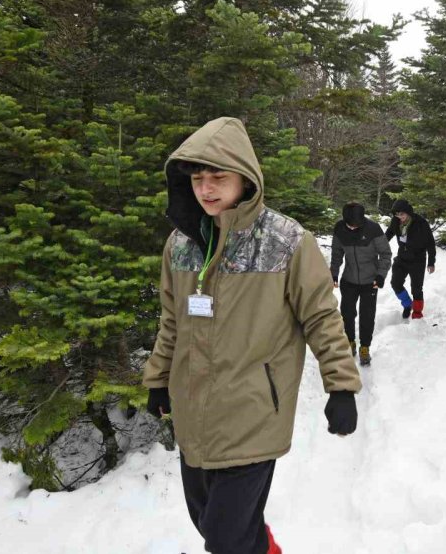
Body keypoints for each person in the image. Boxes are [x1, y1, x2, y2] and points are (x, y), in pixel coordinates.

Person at [143, 117, 361, 554]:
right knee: (209, 522)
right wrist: (158, 378)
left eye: (217, 177)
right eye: (199, 178)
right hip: (193, 412)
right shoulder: (181, 244)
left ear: (245, 176)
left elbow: (321, 316)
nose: (206, 188)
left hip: (253, 412)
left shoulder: (286, 242)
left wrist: (341, 386)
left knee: (225, 540)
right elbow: (173, 320)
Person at [330, 202, 392, 366]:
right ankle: (350, 342)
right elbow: (336, 253)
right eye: (349, 225)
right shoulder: (340, 229)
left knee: (367, 316)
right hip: (349, 280)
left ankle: (365, 347)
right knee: (347, 314)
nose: (352, 228)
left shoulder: (373, 229)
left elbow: (385, 254)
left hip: (370, 282)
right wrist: (334, 272)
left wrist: (380, 275)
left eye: (355, 226)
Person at [385, 199, 437, 320]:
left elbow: (430, 243)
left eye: (402, 214)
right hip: (402, 258)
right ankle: (408, 304)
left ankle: (417, 313)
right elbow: (388, 234)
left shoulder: (421, 223)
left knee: (417, 289)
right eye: (397, 215)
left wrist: (431, 262)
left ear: (408, 212)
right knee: (395, 283)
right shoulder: (395, 221)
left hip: (417, 260)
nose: (399, 217)